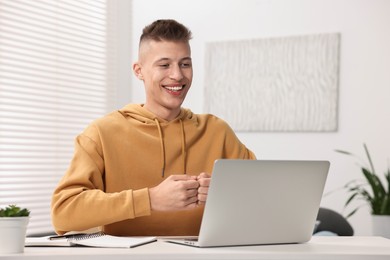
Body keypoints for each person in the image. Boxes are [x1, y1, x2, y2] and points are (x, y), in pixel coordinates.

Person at [51, 19, 256, 236]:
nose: (177, 75)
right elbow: (63, 213)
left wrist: (226, 193)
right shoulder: (101, 133)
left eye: (185, 64)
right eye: (164, 65)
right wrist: (149, 199)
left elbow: (264, 196)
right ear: (139, 71)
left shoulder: (217, 131)